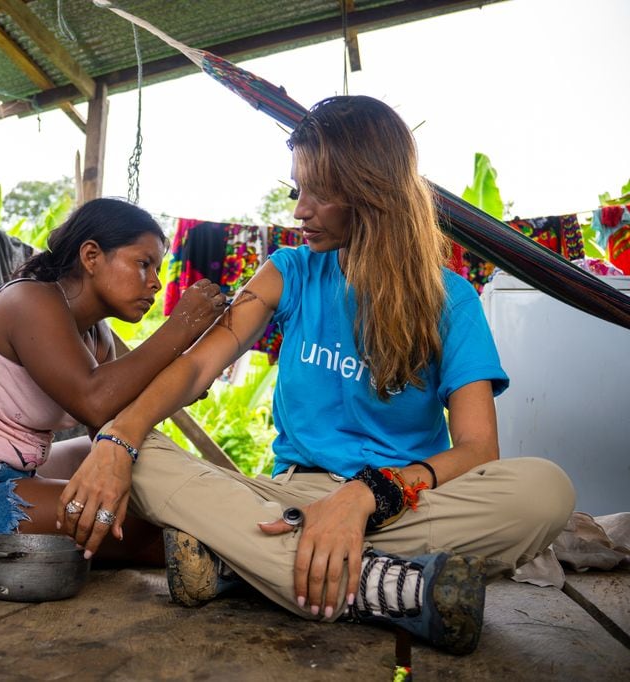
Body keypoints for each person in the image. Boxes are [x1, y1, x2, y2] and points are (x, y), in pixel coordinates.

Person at [59, 96, 575, 655]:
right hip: (287, 498)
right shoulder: (287, 271)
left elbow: (477, 451)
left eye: (320, 193)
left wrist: (364, 496)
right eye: (295, 190)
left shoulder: (451, 300)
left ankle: (247, 564)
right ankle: (386, 586)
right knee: (135, 451)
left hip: (401, 502)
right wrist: (117, 438)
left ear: (372, 192)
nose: (300, 210)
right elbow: (194, 369)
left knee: (547, 491)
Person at [0, 197, 226, 565]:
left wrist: (174, 388)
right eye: (144, 264)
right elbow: (93, 398)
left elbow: (110, 424)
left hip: (9, 474)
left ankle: (223, 507)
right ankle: (232, 552)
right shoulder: (29, 299)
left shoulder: (98, 336)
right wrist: (182, 326)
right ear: (92, 256)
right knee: (141, 531)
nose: (156, 283)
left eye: (156, 269)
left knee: (126, 457)